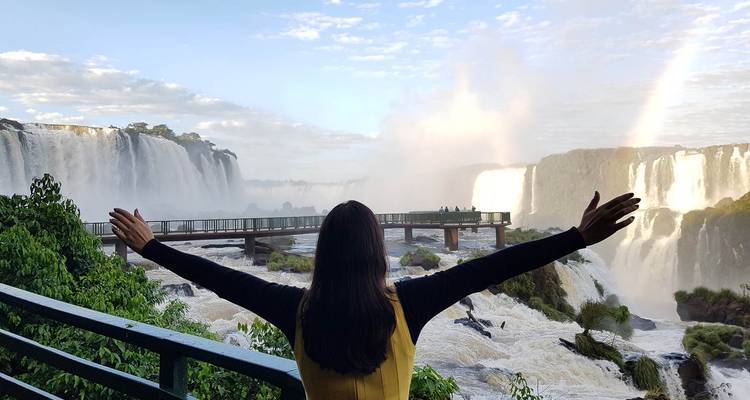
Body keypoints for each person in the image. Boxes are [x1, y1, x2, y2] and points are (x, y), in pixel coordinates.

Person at [109, 191, 639, 400]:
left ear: (324, 254)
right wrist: (577, 238)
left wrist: (153, 247)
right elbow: (491, 267)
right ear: (377, 253)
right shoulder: (408, 305)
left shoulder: (295, 310)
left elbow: (220, 279)